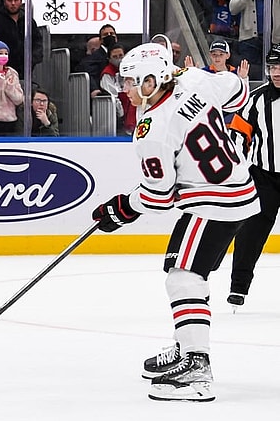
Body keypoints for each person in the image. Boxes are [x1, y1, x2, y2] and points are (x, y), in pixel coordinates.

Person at [91, 41, 255, 402]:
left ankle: (197, 367)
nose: (126, 90)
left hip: (214, 201)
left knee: (184, 278)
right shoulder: (196, 79)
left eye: (132, 82)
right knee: (176, 266)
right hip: (232, 190)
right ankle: (186, 347)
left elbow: (159, 196)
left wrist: (119, 209)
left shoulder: (152, 130)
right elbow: (239, 92)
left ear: (153, 80)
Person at [227, 44, 280, 309]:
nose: (277, 72)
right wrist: (238, 166)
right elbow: (237, 134)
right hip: (264, 176)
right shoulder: (256, 100)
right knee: (251, 233)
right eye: (273, 67)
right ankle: (239, 288)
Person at [0, 0, 43, 78]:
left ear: (21, 2)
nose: (13, 3)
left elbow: (37, 42)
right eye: (10, 0)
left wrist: (33, 60)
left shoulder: (28, 21)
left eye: (16, 0)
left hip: (25, 72)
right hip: (2, 71)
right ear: (4, 2)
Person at [229, 0, 280, 67]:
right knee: (252, 72)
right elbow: (233, 9)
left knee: (275, 70)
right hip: (249, 40)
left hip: (275, 40)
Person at [99, 43, 136, 135]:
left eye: (121, 56)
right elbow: (112, 95)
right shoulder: (107, 74)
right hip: (117, 116)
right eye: (115, 57)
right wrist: (121, 114)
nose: (119, 59)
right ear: (109, 59)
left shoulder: (131, 71)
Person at [75, 24, 117, 97]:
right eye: (106, 34)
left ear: (116, 38)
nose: (109, 36)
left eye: (112, 34)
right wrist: (94, 89)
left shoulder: (122, 53)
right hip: (104, 95)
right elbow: (88, 73)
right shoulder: (94, 57)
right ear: (100, 40)